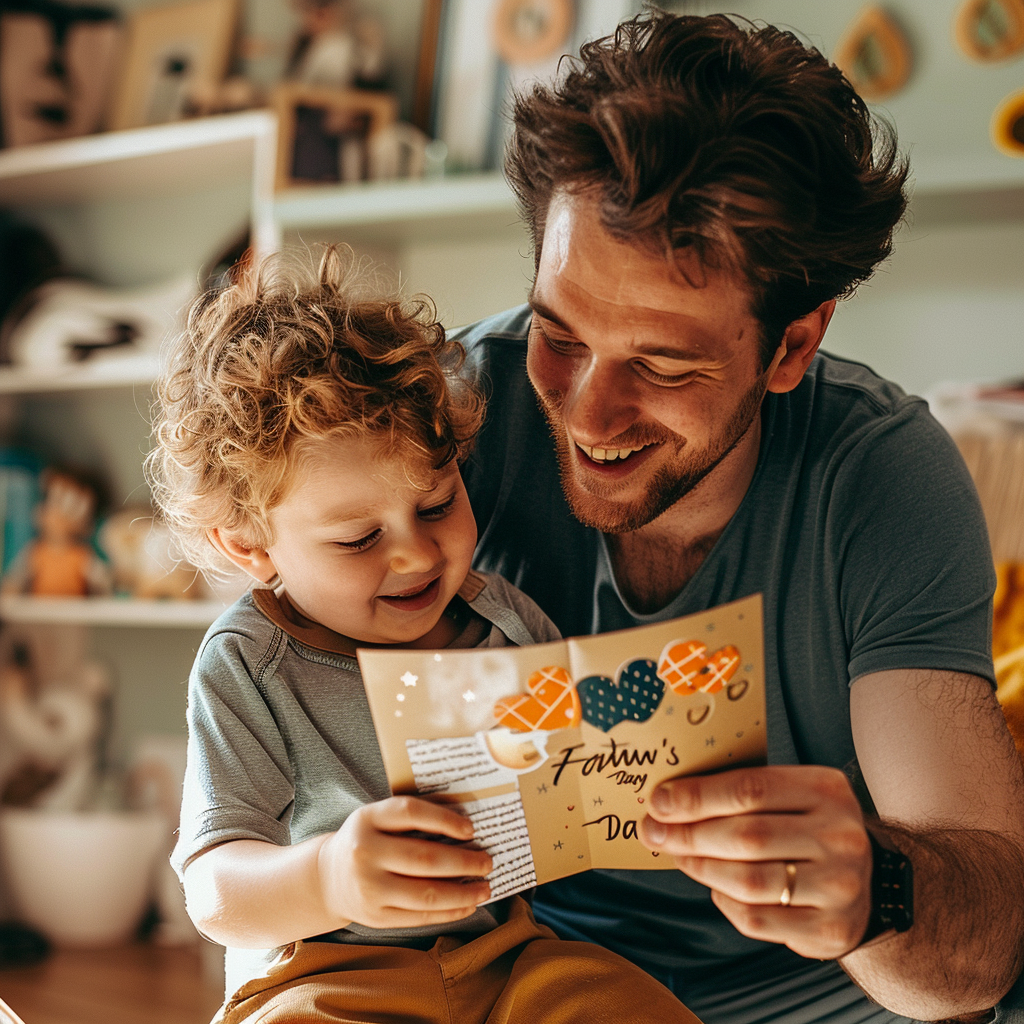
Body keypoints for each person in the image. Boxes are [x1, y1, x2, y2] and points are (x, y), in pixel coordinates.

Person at [455, 11, 1024, 1024]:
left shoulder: (882, 477)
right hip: (527, 982)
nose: (587, 413)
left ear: (792, 346)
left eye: (662, 365)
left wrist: (875, 891)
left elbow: (978, 954)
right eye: (558, 333)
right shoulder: (453, 420)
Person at [148, 248, 699, 1024]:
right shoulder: (250, 665)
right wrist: (331, 878)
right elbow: (214, 893)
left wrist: (655, 764)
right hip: (323, 977)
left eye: (437, 505)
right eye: (356, 539)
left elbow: (587, 786)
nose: (413, 553)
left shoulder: (506, 624)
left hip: (506, 959)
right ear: (251, 547)